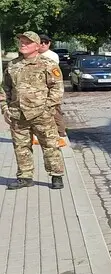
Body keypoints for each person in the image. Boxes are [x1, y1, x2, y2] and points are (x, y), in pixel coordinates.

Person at [1, 32, 65, 190]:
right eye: (21, 42)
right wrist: (5, 109)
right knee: (21, 147)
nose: (23, 45)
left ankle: (56, 175)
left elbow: (57, 88)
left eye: (27, 42)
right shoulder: (12, 65)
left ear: (37, 46)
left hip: (41, 114)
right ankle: (25, 177)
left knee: (50, 145)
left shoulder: (48, 64)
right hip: (18, 114)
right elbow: (5, 88)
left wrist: (47, 109)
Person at [39, 34, 67, 142]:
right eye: (40, 42)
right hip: (41, 89)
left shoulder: (51, 55)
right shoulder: (37, 55)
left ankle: (61, 134)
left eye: (44, 43)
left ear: (48, 43)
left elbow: (54, 75)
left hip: (52, 87)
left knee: (55, 110)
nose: (42, 45)